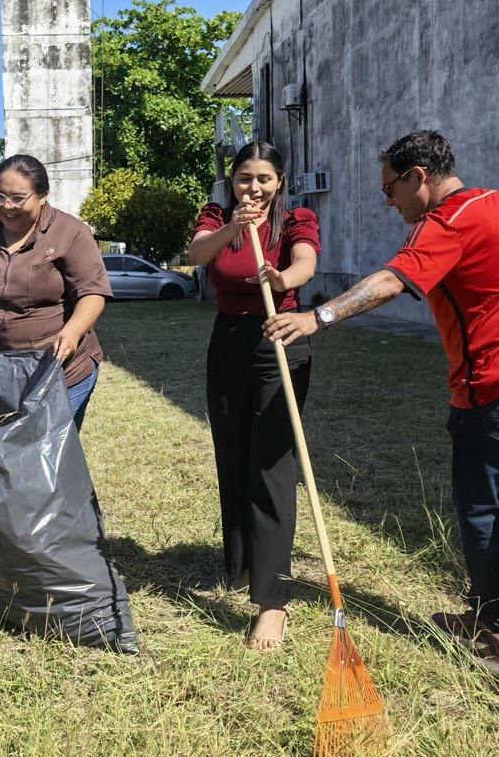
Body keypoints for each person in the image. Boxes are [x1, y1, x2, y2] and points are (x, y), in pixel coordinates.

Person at [263, 130, 499, 686]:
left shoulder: (449, 221)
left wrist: (318, 318)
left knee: (486, 512)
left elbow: (392, 281)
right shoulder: (498, 202)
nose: (389, 202)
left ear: (419, 177)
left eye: (391, 189)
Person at [188, 141, 320, 652]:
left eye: (264, 178)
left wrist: (283, 277)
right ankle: (243, 565)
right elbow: (199, 254)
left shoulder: (295, 218)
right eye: (245, 177)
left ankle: (273, 602)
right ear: (234, 181)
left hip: (280, 338)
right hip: (228, 340)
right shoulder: (218, 214)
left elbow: (306, 262)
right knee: (233, 455)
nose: (254, 187)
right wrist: (233, 229)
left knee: (271, 465)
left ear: (280, 180)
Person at [0, 153, 111, 430]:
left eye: (19, 198)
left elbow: (92, 292)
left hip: (61, 372)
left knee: (47, 456)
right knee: (6, 456)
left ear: (42, 196)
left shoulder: (70, 232)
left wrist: (73, 331)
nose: (8, 206)